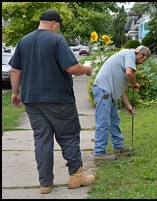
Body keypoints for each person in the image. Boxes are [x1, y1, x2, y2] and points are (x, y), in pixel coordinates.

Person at [9, 9, 95, 194]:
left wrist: (15, 93)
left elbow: (15, 71)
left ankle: (45, 183)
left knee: (42, 140)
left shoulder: (24, 41)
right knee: (69, 136)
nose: (58, 30)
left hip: (32, 100)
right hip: (59, 100)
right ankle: (76, 176)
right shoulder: (57, 40)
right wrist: (87, 69)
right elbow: (72, 68)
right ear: (53, 23)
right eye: (58, 26)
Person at [92, 45, 151, 160]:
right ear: (141, 54)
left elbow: (121, 88)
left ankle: (118, 146)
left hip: (109, 93)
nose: (142, 63)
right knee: (103, 121)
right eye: (143, 60)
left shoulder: (124, 60)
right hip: (103, 90)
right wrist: (134, 83)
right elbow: (129, 74)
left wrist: (128, 106)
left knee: (114, 120)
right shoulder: (129, 54)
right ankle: (99, 153)